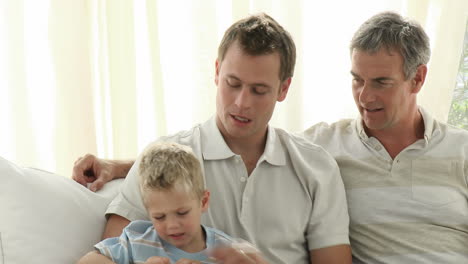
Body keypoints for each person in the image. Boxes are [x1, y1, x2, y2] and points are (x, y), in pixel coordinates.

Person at [73, 13, 352, 264]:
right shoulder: (160, 159)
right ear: (217, 72)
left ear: (284, 88)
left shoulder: (316, 168)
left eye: (259, 90)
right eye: (233, 84)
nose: (242, 102)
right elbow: (112, 251)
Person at [302, 11, 468, 263]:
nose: (364, 96)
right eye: (357, 80)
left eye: (381, 82)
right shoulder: (321, 145)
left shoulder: (462, 149)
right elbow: (252, 152)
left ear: (417, 79)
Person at [77, 142, 238, 264]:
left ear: (203, 201)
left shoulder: (226, 250)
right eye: (160, 217)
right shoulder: (136, 242)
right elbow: (88, 261)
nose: (172, 225)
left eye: (182, 213)